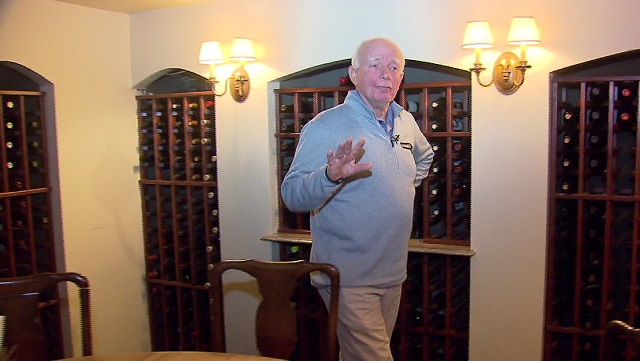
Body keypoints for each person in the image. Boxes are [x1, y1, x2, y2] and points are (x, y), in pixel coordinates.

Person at [280, 37, 434, 360]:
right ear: (354, 73)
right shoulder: (325, 125)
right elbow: (292, 193)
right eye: (375, 65)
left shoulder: (405, 122)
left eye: (394, 67)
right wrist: (329, 176)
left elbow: (425, 157)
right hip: (347, 277)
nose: (385, 74)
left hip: (392, 273)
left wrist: (405, 186)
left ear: (402, 77)